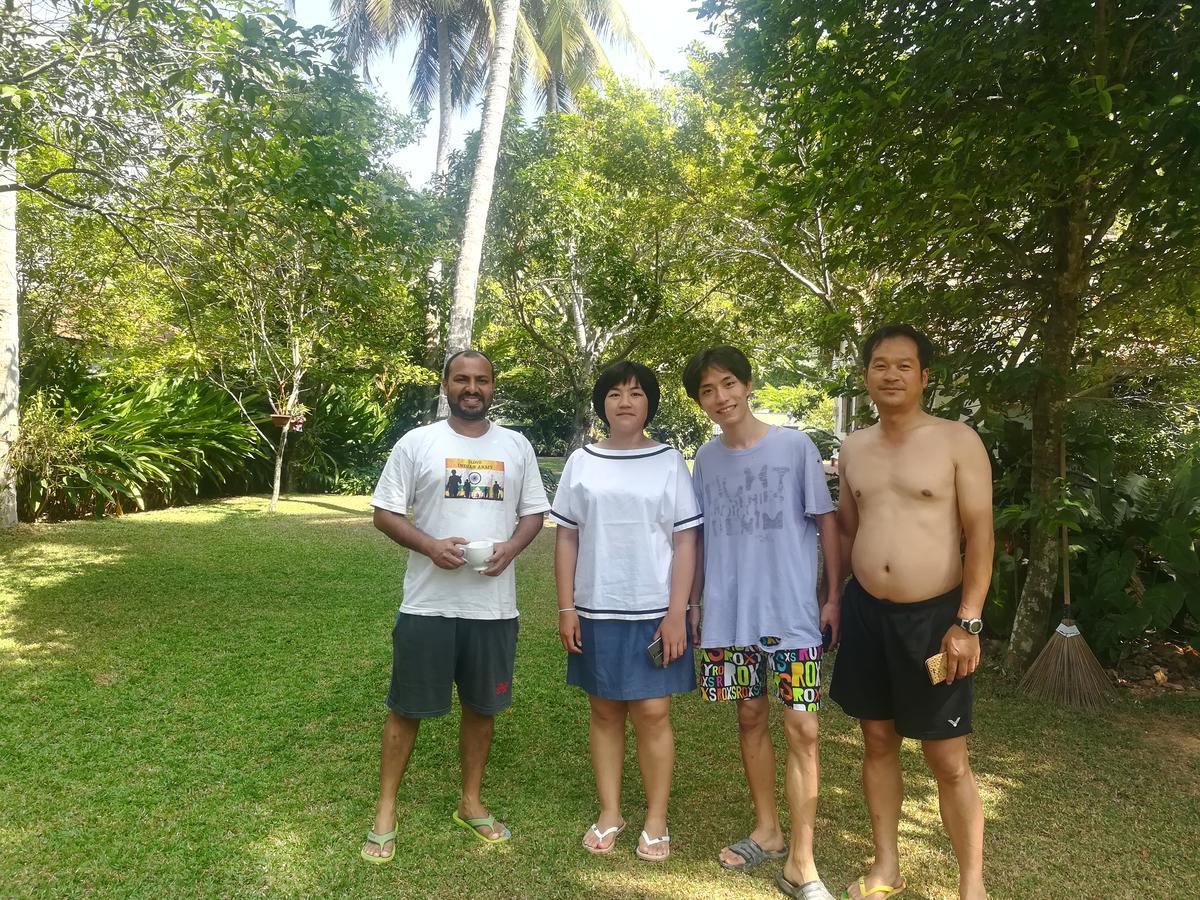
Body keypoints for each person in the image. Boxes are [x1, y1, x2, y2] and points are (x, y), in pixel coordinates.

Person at [360, 349, 550, 863]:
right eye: (462, 379)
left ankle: (470, 802)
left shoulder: (516, 446)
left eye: (482, 380)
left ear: (493, 386)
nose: (472, 388)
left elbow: (533, 512)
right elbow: (384, 513)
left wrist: (512, 547)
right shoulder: (417, 443)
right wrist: (429, 545)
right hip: (428, 604)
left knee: (482, 709)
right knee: (406, 709)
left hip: (493, 609)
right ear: (445, 385)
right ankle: (385, 809)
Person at [829, 324, 992, 900]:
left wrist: (967, 621)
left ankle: (971, 885)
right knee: (877, 739)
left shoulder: (956, 440)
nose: (890, 374)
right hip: (868, 613)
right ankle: (886, 865)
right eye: (879, 364)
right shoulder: (853, 447)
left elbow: (981, 534)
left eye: (903, 365)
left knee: (946, 757)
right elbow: (848, 530)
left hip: (935, 619)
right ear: (866, 376)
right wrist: (834, 597)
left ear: (924, 377)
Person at [683, 346, 843, 900]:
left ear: (748, 384)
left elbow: (826, 522)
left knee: (803, 728)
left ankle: (803, 860)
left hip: (793, 617)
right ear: (700, 401)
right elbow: (698, 536)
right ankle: (768, 831)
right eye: (708, 390)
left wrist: (832, 596)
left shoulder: (795, 446)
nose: (721, 397)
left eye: (728, 383)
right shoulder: (705, 459)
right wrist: (694, 604)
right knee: (750, 718)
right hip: (729, 617)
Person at [551, 360, 701, 862]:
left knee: (654, 713)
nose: (625, 401)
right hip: (596, 607)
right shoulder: (582, 461)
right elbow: (567, 537)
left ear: (649, 403)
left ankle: (656, 818)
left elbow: (685, 540)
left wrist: (677, 612)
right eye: (614, 393)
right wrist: (566, 606)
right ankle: (610, 811)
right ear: (603, 404)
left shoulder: (668, 460)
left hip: (655, 609)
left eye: (635, 393)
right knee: (604, 710)